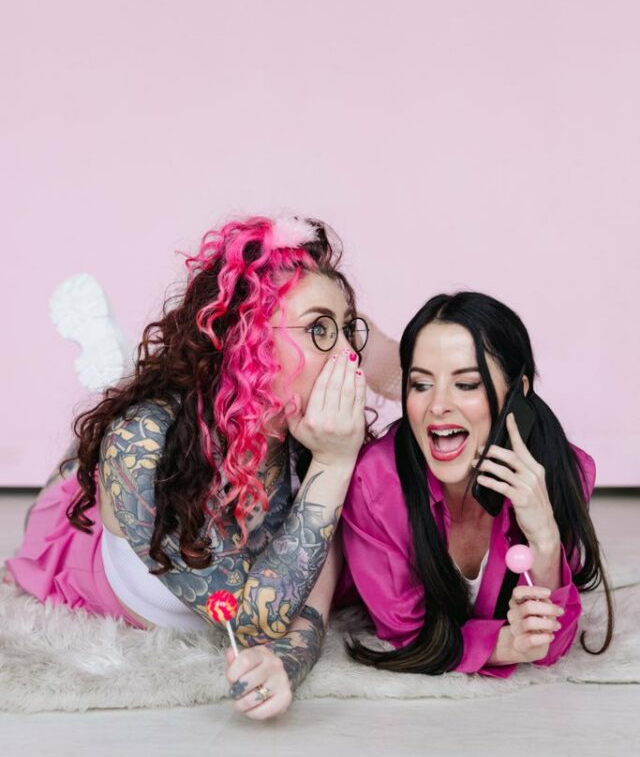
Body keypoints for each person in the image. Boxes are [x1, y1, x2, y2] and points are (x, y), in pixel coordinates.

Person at [6, 215, 370, 718]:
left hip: (191, 451)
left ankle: (123, 378)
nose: (349, 356)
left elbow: (314, 591)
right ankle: (114, 386)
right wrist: (334, 462)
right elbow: (254, 623)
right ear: (249, 339)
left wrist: (287, 663)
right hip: (91, 541)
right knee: (78, 476)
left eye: (348, 329)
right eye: (320, 329)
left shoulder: (306, 429)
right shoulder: (141, 444)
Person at [338, 292, 613, 677]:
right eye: (420, 385)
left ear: (518, 391)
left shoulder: (563, 471)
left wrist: (546, 540)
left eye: (466, 384)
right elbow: (404, 630)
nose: (437, 406)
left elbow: (551, 640)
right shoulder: (376, 483)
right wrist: (503, 645)